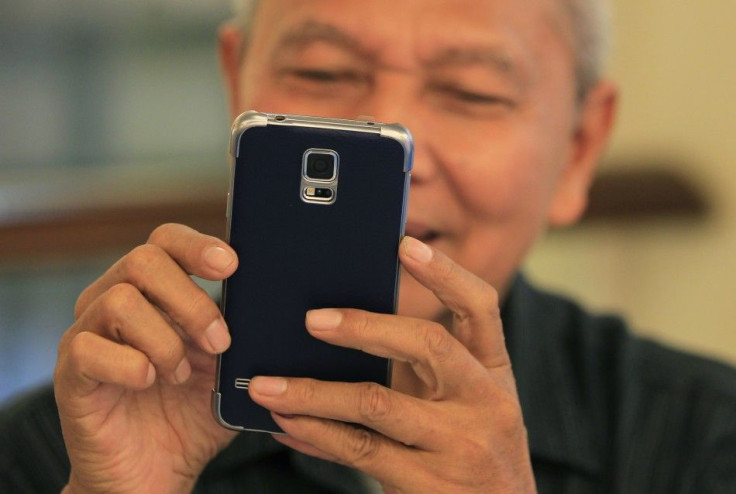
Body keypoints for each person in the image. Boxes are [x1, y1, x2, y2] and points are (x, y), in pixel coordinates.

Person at [2, 0, 735, 492]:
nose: (393, 140)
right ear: (237, 89)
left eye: (473, 92)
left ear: (579, 148)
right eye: (321, 74)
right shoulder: (64, 445)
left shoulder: (705, 442)